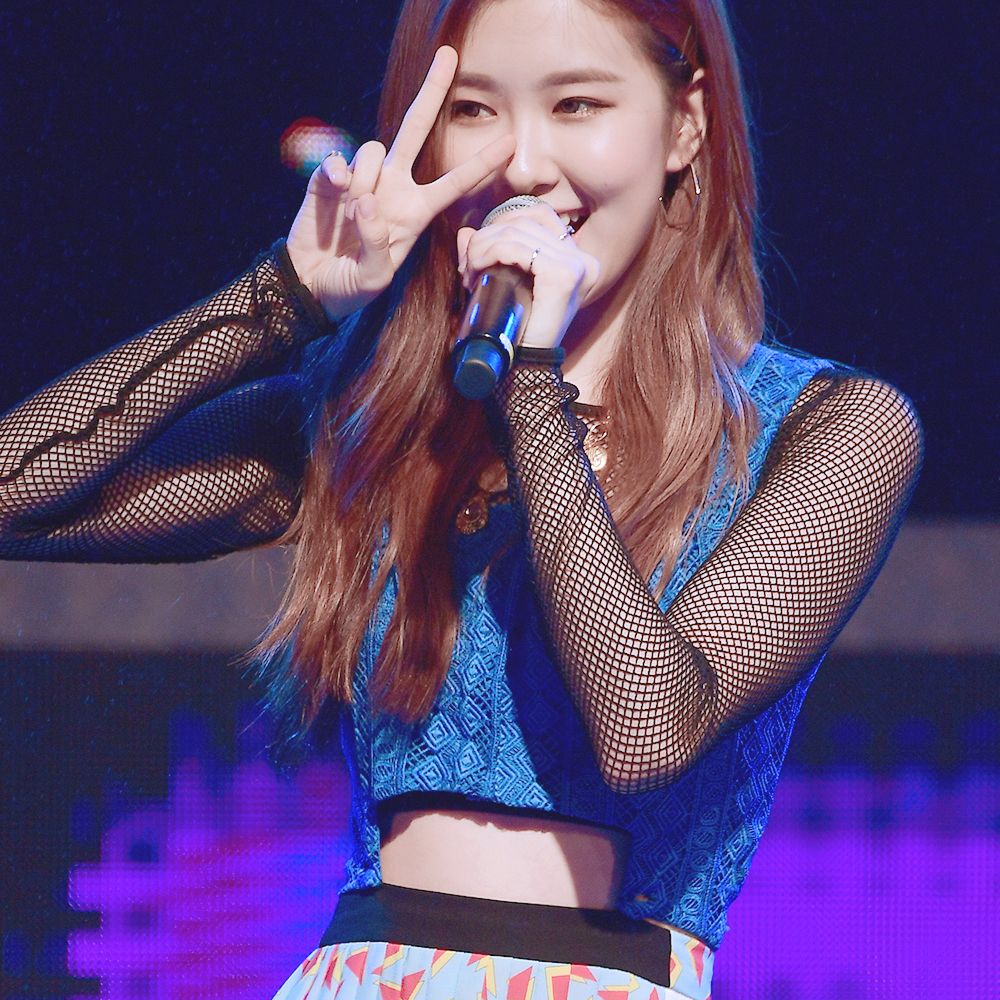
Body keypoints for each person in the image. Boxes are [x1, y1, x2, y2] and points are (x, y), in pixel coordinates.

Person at [0, 0, 923, 997]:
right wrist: (287, 297)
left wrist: (531, 378)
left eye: (576, 105)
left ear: (684, 126)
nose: (521, 166)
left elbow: (647, 726)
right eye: (474, 111)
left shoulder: (826, 427)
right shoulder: (379, 419)